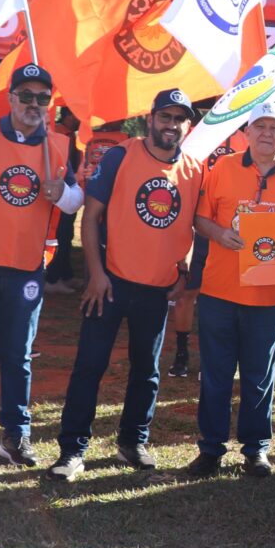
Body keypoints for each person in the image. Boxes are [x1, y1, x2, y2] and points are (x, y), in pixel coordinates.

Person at [46, 89, 201, 481]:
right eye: (164, 117)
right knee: (89, 366)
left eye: (179, 119)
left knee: (146, 370)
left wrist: (183, 273)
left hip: (157, 287)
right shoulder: (120, 156)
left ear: (188, 125)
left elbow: (194, 226)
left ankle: (132, 442)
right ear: (150, 119)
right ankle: (72, 450)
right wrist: (95, 275)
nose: (171, 125)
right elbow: (91, 217)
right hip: (110, 284)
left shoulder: (195, 169)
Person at [0, 65, 83, 469]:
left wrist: (62, 193)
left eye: (42, 98)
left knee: (18, 356)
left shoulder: (58, 145)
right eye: (25, 95)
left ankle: (15, 437)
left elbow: (77, 200)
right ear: (10, 98)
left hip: (27, 268)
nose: (33, 105)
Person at [186, 102, 275, 478]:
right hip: (219, 292)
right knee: (216, 375)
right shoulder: (222, 167)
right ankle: (210, 449)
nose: (267, 134)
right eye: (260, 126)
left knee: (260, 376)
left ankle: (256, 450)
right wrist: (218, 233)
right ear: (246, 132)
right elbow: (200, 217)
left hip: (267, 294)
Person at [167, 128, 249, 379]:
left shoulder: (246, 138)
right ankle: (181, 353)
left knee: (217, 297)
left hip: (230, 227)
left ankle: (209, 359)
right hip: (196, 225)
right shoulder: (198, 134)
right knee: (187, 291)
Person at [45, 107, 82, 294]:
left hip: (68, 188)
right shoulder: (57, 135)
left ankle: (65, 274)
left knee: (66, 235)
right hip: (56, 194)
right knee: (59, 234)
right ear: (67, 116)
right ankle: (53, 278)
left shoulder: (69, 135)